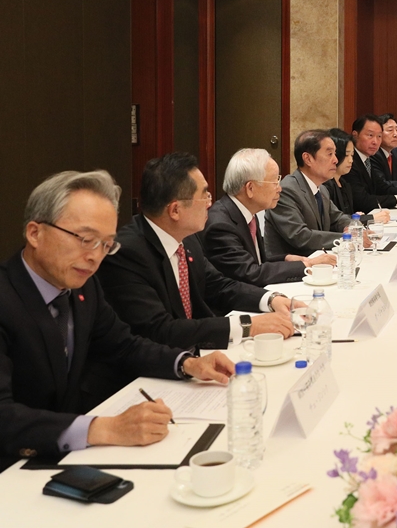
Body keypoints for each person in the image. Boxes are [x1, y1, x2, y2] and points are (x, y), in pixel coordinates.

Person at [0, 170, 235, 472]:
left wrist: (186, 363)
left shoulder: (83, 287)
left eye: (106, 244)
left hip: (70, 460)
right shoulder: (8, 298)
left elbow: (123, 345)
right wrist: (105, 429)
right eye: (86, 239)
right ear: (35, 233)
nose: (94, 257)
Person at [97, 153, 294, 355]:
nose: (210, 203)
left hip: (196, 353)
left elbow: (218, 285)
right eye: (204, 195)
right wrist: (247, 326)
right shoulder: (127, 253)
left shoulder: (187, 238)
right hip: (151, 371)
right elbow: (161, 330)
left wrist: (270, 299)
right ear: (175, 210)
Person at [200, 148, 335, 287]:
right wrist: (306, 265)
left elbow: (255, 260)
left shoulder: (247, 213)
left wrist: (285, 258)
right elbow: (249, 273)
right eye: (274, 182)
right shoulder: (221, 225)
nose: (280, 188)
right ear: (250, 188)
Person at [264, 129, 358, 256]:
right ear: (307, 159)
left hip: (319, 262)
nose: (336, 160)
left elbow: (337, 218)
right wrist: (346, 238)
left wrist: (354, 228)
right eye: (329, 154)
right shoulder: (287, 190)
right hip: (292, 269)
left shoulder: (322, 189)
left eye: (335, 154)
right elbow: (301, 236)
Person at [346, 114, 397, 211]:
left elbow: (382, 187)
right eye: (370, 135)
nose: (375, 141)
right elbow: (363, 200)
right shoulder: (350, 161)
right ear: (355, 135)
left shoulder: (367, 158)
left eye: (379, 136)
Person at [323, 131, 390, 225]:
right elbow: (333, 222)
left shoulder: (344, 182)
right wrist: (369, 218)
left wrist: (356, 216)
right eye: (346, 155)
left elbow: (345, 216)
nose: (351, 160)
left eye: (352, 155)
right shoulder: (325, 185)